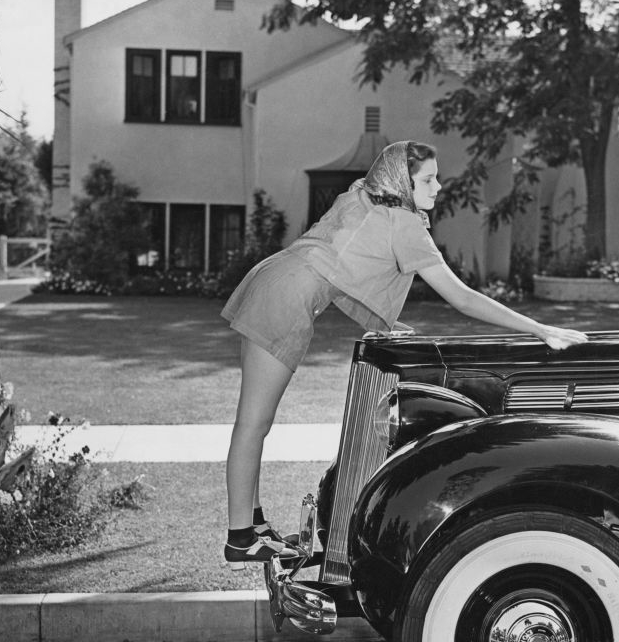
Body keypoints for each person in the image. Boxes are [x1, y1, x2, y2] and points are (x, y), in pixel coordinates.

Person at [220, 140, 588, 568]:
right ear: (402, 181)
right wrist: (537, 328)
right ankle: (241, 537)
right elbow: (462, 297)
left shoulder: (363, 194)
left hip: (277, 280)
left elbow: (339, 267)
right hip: (282, 298)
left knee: (256, 423)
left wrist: (384, 324)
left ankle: (255, 524)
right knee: (253, 422)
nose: (438, 186)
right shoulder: (405, 225)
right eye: (428, 179)